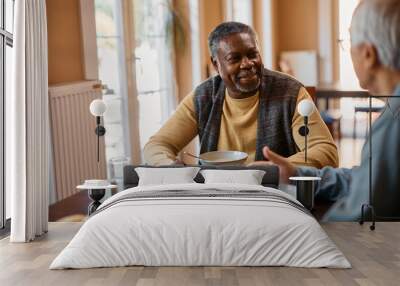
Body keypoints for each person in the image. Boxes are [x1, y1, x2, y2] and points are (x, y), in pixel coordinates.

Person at [252, 0, 400, 220]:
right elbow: (365, 179)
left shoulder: (392, 123)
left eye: (348, 43)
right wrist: (295, 173)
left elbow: (357, 220)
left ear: (368, 54)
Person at [144, 22, 338, 168]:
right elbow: (158, 145)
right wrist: (170, 168)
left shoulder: (291, 92)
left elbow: (326, 152)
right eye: (234, 58)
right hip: (218, 198)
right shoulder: (203, 97)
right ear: (216, 65)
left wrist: (273, 169)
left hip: (274, 194)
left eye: (253, 54)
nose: (247, 63)